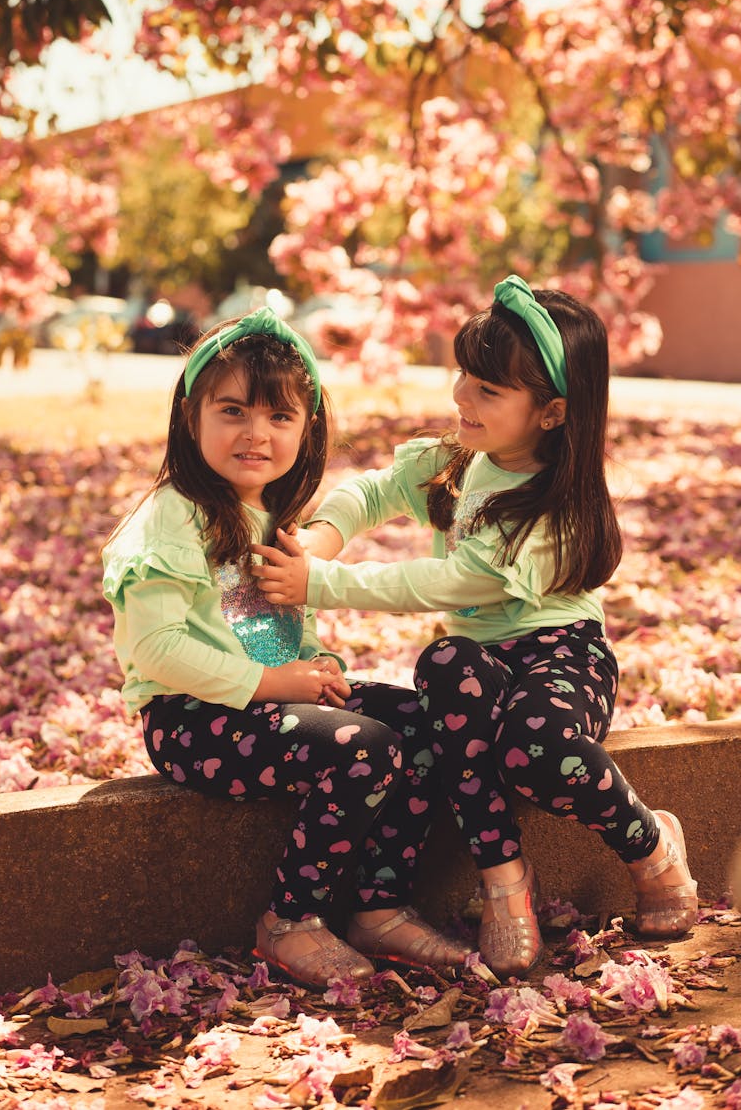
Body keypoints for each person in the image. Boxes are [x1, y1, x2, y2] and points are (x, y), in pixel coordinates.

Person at [252, 276, 699, 979]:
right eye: (465, 374)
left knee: (532, 745)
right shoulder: (461, 463)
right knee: (445, 669)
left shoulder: (550, 507)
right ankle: (505, 882)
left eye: (488, 390)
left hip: (559, 655)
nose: (461, 395)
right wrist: (324, 539)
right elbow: (373, 491)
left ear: (551, 412)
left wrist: (322, 583)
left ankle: (649, 845)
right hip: (478, 665)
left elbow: (445, 582)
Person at [101, 308, 471, 991]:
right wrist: (276, 684)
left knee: (423, 721)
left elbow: (279, 629)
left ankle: (379, 904)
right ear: (191, 417)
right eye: (233, 410)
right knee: (366, 746)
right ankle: (290, 920)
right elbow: (156, 647)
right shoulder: (171, 515)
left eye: (280, 417)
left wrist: (319, 664)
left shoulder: (271, 517)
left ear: (308, 428)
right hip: (193, 718)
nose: (256, 433)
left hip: (264, 703)